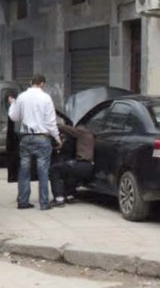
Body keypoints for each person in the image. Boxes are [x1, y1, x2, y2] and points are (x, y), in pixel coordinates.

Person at [7, 74, 61, 210]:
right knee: (43, 171)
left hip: (25, 138)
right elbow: (51, 122)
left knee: (24, 171)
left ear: (31, 82)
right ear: (42, 84)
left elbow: (14, 117)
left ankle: (23, 201)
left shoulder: (22, 97)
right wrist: (57, 138)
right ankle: (44, 203)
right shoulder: (46, 98)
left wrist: (13, 104)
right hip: (42, 138)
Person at [49, 123, 95, 207]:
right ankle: (70, 196)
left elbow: (65, 128)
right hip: (89, 166)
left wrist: (53, 125)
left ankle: (59, 199)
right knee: (70, 171)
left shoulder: (82, 132)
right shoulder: (92, 135)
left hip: (83, 164)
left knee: (54, 169)